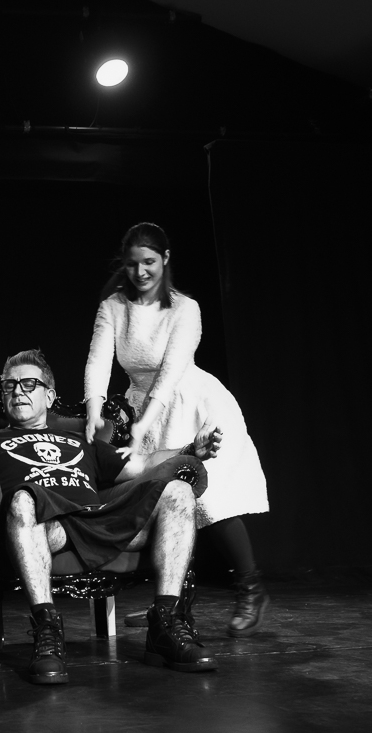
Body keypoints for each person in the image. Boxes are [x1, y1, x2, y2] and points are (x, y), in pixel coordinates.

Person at [0, 349, 221, 684]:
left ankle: (166, 625)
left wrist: (191, 450)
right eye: (10, 385)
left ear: (49, 395)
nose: (18, 391)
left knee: (178, 491)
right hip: (47, 526)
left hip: (101, 520)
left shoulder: (82, 441)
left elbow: (142, 464)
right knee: (23, 498)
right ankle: (47, 631)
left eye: (29, 384)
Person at [83, 222, 270, 638]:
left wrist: (140, 429)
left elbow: (168, 377)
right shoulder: (113, 307)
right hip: (141, 407)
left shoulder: (186, 309)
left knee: (209, 500)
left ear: (165, 259)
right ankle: (173, 603)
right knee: (164, 501)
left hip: (190, 403)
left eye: (149, 262)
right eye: (132, 264)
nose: (140, 272)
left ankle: (251, 589)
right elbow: (98, 362)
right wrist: (95, 410)